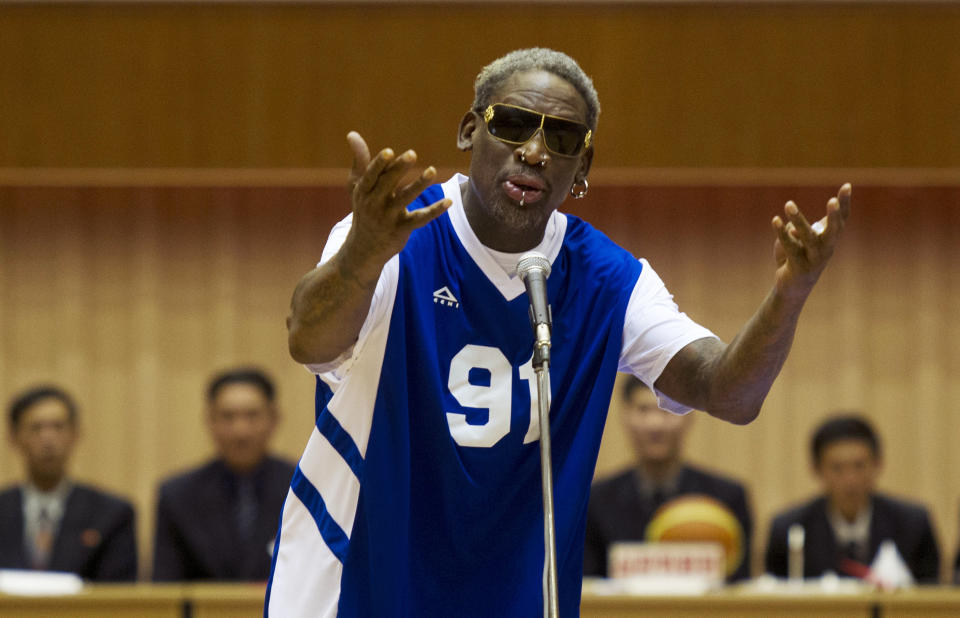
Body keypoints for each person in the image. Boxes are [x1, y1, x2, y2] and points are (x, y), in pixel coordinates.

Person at [269, 48, 852, 617]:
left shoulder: (607, 279)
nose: (534, 151)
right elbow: (309, 340)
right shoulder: (394, 233)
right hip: (355, 582)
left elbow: (728, 392)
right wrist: (360, 258)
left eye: (562, 138)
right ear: (471, 130)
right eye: (515, 125)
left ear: (583, 167)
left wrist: (789, 297)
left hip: (515, 594)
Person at [583, 376, 752, 581]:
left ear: (689, 416)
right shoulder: (596, 501)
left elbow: (739, 588)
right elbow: (589, 587)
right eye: (643, 410)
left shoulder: (727, 498)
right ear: (625, 416)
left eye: (668, 410)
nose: (655, 424)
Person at [152, 367, 295, 581]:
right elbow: (165, 588)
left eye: (252, 416)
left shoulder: (302, 488)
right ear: (210, 421)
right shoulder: (178, 495)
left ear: (274, 419)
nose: (240, 431)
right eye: (228, 417)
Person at [765, 414, 940, 582]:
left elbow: (931, 597)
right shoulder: (788, 528)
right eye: (837, 468)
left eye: (859, 466)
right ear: (816, 469)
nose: (850, 479)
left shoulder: (912, 524)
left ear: (878, 464)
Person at [0, 385, 137, 580]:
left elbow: (120, 597)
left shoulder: (111, 514)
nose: (48, 439)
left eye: (58, 427)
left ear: (75, 434)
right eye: (35, 428)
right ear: (13, 437)